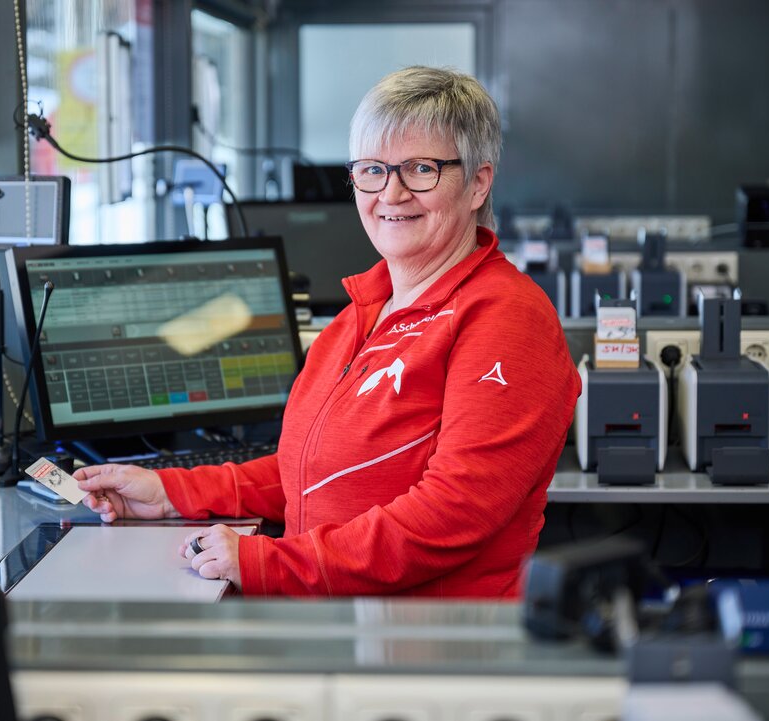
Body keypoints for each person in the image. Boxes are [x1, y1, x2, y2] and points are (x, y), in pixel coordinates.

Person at [75, 66, 581, 598]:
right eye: (373, 170)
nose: (392, 192)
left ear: (478, 182)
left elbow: (453, 515)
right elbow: (311, 471)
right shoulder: (362, 313)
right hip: (340, 624)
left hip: (435, 648)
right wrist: (169, 491)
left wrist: (268, 562)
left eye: (421, 169)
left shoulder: (507, 318)